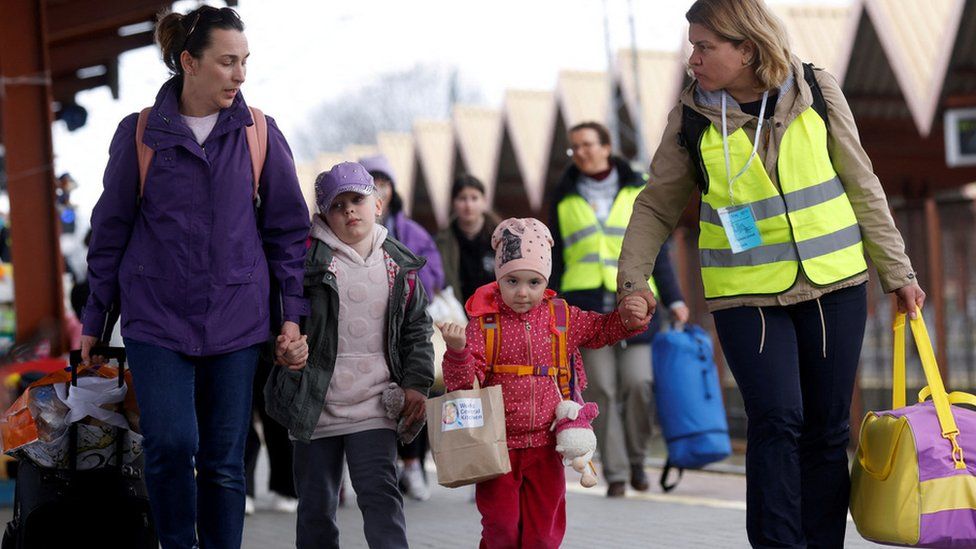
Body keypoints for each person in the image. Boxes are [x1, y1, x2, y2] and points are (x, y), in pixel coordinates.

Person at [615, 1, 925, 546]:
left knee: (828, 431)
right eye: (692, 45)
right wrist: (634, 282)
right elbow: (656, 206)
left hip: (835, 284)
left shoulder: (817, 91)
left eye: (704, 46)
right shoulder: (690, 117)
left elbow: (862, 183)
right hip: (746, 296)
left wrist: (897, 272)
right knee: (777, 419)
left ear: (747, 49)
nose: (693, 59)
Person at [80, 6, 310, 548]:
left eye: (245, 61)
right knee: (170, 445)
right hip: (156, 319)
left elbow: (286, 233)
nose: (240, 75)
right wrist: (95, 317)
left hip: (236, 321)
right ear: (189, 61)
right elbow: (109, 231)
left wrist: (291, 316)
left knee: (224, 461)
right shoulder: (139, 134)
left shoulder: (260, 135)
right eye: (228, 62)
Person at [439, 217, 650, 549]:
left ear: (546, 279)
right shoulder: (484, 325)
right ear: (498, 278)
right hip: (498, 449)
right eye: (512, 281)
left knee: (543, 534)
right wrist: (457, 352)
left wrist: (628, 318)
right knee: (502, 530)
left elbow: (600, 330)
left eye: (534, 282)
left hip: (546, 447)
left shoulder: (561, 317)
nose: (523, 292)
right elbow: (462, 388)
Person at [264, 162, 434, 549]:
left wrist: (416, 385)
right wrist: (286, 346)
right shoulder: (306, 265)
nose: (349, 211)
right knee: (317, 506)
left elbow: (417, 329)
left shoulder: (400, 265)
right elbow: (281, 316)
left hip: (375, 405)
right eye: (337, 205)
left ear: (378, 204)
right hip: (315, 405)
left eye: (357, 199)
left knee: (380, 496)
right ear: (323, 215)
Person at [549, 120, 690, 497]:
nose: (580, 152)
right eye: (574, 147)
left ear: (607, 146)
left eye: (587, 144)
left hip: (637, 302)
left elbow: (657, 248)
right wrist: (551, 304)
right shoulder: (563, 196)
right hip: (586, 310)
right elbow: (558, 257)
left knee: (639, 384)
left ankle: (639, 459)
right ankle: (615, 472)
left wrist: (674, 298)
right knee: (603, 393)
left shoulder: (638, 187)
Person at [359, 153, 443, 502]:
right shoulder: (351, 227)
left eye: (385, 182)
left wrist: (404, 285)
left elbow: (434, 270)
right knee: (378, 397)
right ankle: (389, 465)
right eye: (371, 182)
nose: (380, 188)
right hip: (367, 327)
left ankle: (413, 465)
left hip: (407, 322)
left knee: (415, 389)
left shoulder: (411, 231)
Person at [436, 174, 501, 304]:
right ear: (453, 202)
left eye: (474, 198)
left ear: (484, 201)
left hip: (498, 311)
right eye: (462, 199)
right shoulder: (442, 242)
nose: (468, 205)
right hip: (460, 315)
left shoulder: (501, 236)